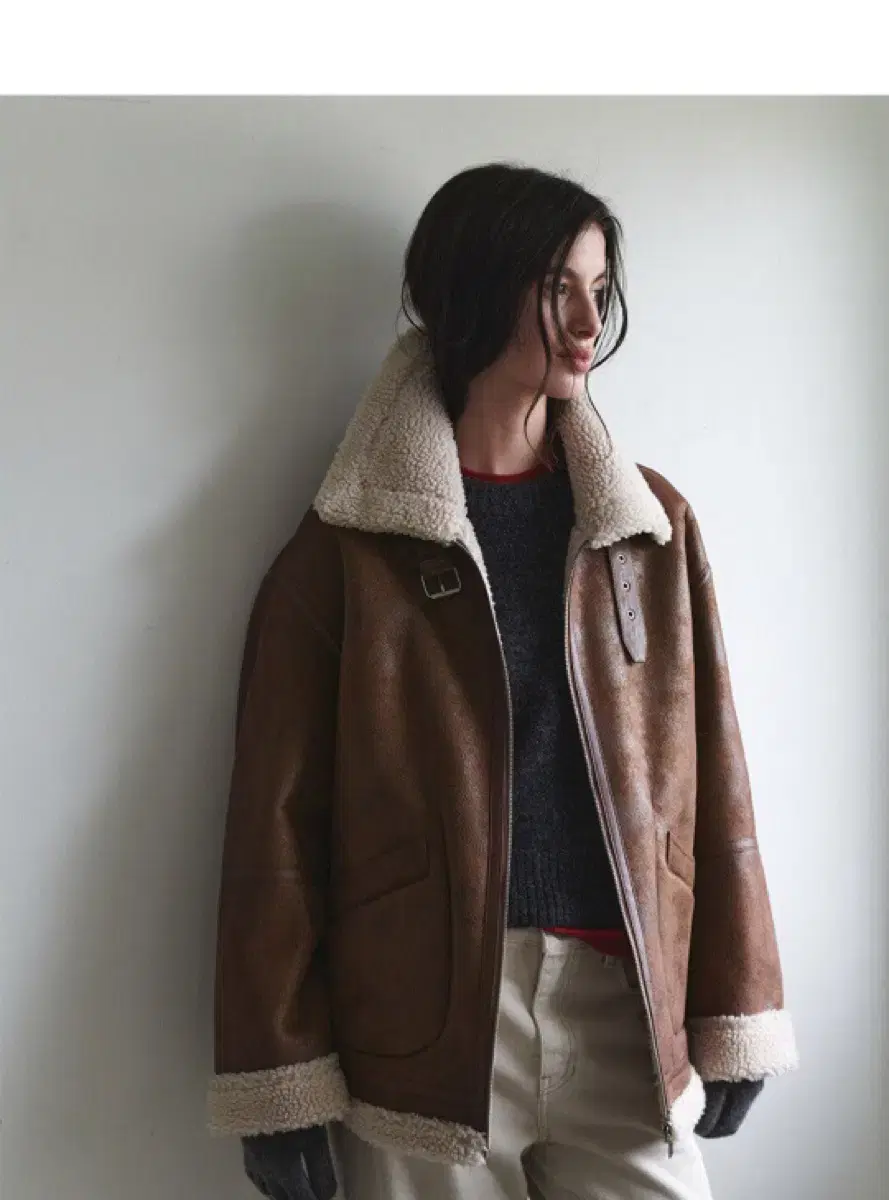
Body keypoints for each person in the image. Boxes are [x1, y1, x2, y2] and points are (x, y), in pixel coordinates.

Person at [206, 163, 799, 1200]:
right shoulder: (348, 548)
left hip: (622, 1011)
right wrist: (278, 1079)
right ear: (472, 287)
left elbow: (714, 774)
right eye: (555, 287)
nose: (587, 321)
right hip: (424, 1035)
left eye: (599, 289)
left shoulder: (647, 529)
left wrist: (735, 1001)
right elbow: (276, 828)